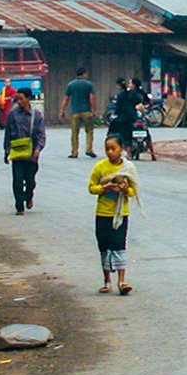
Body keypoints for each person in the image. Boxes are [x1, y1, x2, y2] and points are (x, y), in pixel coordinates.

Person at [88, 135, 139, 295]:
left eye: (113, 148)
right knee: (104, 246)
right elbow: (91, 188)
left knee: (119, 245)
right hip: (103, 213)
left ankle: (122, 281)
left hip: (120, 214)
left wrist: (124, 190)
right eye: (107, 149)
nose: (110, 152)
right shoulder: (100, 167)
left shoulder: (128, 168)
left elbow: (133, 191)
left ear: (121, 149)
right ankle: (107, 281)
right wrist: (105, 188)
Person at [2, 88, 45, 215]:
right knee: (17, 180)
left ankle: (29, 196)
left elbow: (41, 135)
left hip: (31, 154)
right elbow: (8, 133)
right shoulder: (13, 114)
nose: (19, 102)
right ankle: (19, 206)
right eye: (17, 99)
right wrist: (6, 151)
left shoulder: (36, 116)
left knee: (30, 180)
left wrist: (38, 149)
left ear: (28, 99)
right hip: (17, 153)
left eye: (21, 99)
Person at [60, 67, 97, 159]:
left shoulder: (71, 85)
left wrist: (62, 110)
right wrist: (94, 110)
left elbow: (66, 98)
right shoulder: (89, 84)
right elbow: (92, 98)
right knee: (89, 131)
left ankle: (74, 152)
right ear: (84, 74)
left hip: (75, 112)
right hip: (86, 111)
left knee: (74, 133)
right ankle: (89, 149)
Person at [110, 78, 139, 148]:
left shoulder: (120, 95)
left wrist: (115, 114)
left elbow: (118, 108)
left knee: (122, 132)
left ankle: (127, 151)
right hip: (133, 116)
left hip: (124, 118)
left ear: (119, 86)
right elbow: (138, 102)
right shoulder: (133, 93)